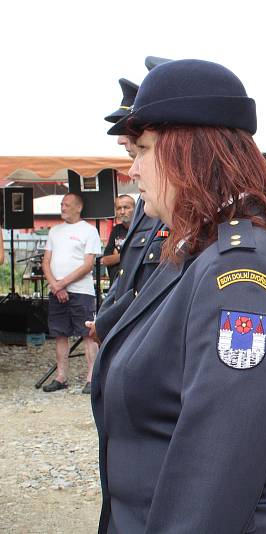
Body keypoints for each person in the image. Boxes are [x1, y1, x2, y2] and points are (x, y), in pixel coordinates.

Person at [93, 59, 266, 533]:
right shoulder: (198, 248)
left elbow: (217, 463)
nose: (133, 170)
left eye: (142, 150)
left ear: (191, 154)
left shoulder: (241, 273)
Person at [91, 76, 169, 343]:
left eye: (128, 130)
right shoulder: (145, 202)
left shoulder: (167, 203)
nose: (120, 139)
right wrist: (106, 318)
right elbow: (129, 273)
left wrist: (111, 320)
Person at [41, 193, 102, 394]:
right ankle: (61, 376)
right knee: (60, 334)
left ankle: (92, 377)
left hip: (81, 291)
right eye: (62, 204)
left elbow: (87, 264)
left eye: (66, 204)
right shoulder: (54, 231)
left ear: (78, 208)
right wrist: (56, 285)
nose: (63, 208)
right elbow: (45, 262)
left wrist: (61, 284)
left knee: (88, 335)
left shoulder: (89, 231)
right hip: (57, 290)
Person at [99, 194, 135, 284]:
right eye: (119, 208)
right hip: (116, 285)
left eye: (126, 207)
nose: (122, 212)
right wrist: (128, 254)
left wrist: (117, 255)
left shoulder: (143, 229)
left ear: (136, 208)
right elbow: (105, 260)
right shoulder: (116, 230)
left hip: (135, 285)